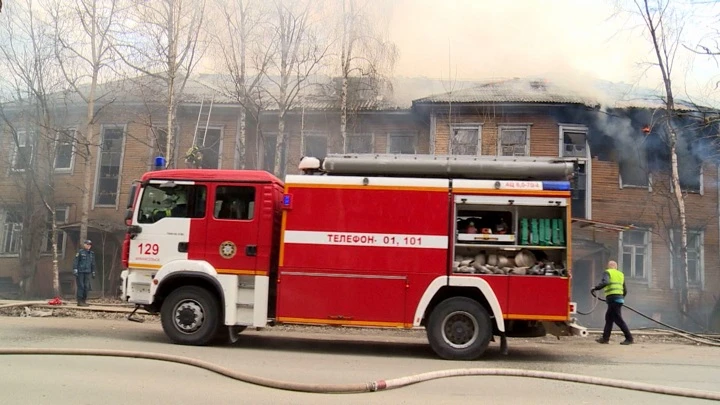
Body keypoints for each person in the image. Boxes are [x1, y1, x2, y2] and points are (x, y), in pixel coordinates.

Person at [592, 260, 634, 345]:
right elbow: (625, 290)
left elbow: (606, 282)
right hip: (618, 299)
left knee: (618, 320)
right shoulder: (620, 274)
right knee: (609, 319)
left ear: (609, 266)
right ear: (616, 267)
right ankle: (605, 338)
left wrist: (596, 288)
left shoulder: (607, 272)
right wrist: (621, 298)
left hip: (613, 299)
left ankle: (629, 338)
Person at [72, 239, 96, 307]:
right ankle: (79, 301)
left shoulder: (91, 254)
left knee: (86, 287)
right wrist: (75, 269)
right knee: (81, 286)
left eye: (89, 245)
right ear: (84, 245)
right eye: (87, 244)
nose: (88, 246)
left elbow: (93, 264)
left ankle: (84, 301)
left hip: (88, 272)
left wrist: (93, 271)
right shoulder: (80, 252)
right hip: (80, 272)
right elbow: (76, 261)